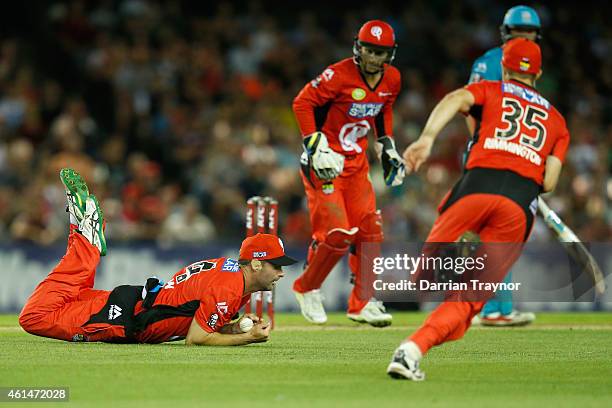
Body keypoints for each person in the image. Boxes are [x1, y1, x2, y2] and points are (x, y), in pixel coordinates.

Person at [387, 38, 570, 380]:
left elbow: (455, 98)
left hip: (475, 187)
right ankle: (411, 351)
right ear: (539, 74)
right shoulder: (558, 123)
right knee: (468, 302)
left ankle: (446, 265)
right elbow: (549, 183)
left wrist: (426, 138)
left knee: (424, 277)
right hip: (518, 205)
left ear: (504, 68)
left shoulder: (491, 89)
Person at [19, 168, 297, 345]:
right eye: (277, 266)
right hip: (123, 319)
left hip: (133, 302)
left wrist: (236, 327)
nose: (282, 273)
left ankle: (82, 233)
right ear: (257, 262)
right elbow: (197, 338)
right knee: (35, 316)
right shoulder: (230, 286)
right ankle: (85, 240)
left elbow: (198, 315)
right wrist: (248, 337)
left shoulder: (229, 270)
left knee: (68, 294)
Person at [291, 20, 405, 326]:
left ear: (389, 54)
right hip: (324, 163)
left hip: (356, 165)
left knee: (371, 231)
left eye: (380, 52)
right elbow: (302, 102)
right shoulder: (337, 74)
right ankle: (307, 287)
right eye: (369, 50)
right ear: (359, 48)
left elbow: (383, 109)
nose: (373, 58)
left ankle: (362, 303)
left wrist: (387, 145)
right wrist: (314, 145)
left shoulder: (392, 79)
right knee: (338, 234)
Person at [466, 5, 542, 326]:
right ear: (505, 33)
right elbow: (471, 109)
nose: (523, 37)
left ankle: (498, 309)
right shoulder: (488, 63)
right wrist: (483, 147)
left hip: (516, 158)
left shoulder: (532, 63)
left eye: (528, 33)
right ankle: (489, 309)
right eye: (517, 32)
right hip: (490, 156)